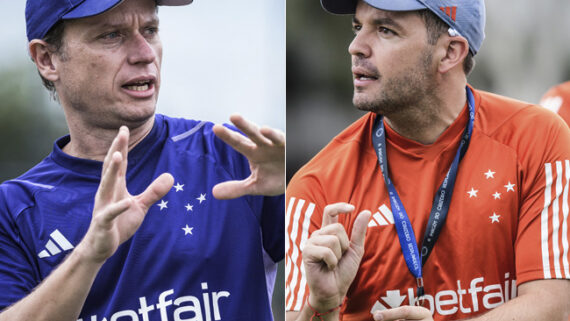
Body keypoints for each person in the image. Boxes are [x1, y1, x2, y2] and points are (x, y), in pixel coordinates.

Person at [285, 0, 570, 320]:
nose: (356, 47)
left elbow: (553, 307)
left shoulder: (536, 139)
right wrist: (322, 306)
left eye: (385, 30)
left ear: (450, 52)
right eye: (357, 27)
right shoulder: (316, 186)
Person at [0, 0, 285, 320]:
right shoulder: (14, 209)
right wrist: (89, 255)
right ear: (47, 59)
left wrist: (296, 185)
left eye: (150, 30)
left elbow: (333, 274)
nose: (144, 53)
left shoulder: (237, 156)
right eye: (111, 35)